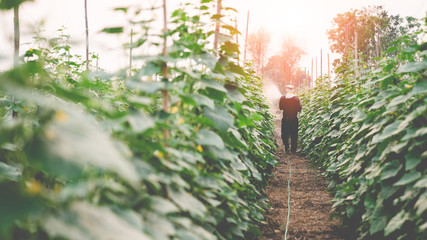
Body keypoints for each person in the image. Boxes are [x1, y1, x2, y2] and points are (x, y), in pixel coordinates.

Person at [279, 85, 302, 153]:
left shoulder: (282, 98)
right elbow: (299, 109)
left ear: (286, 89)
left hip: (285, 118)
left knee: (285, 134)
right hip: (294, 119)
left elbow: (281, 107)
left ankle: (286, 147)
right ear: (293, 90)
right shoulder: (296, 99)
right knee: (294, 134)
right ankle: (293, 149)